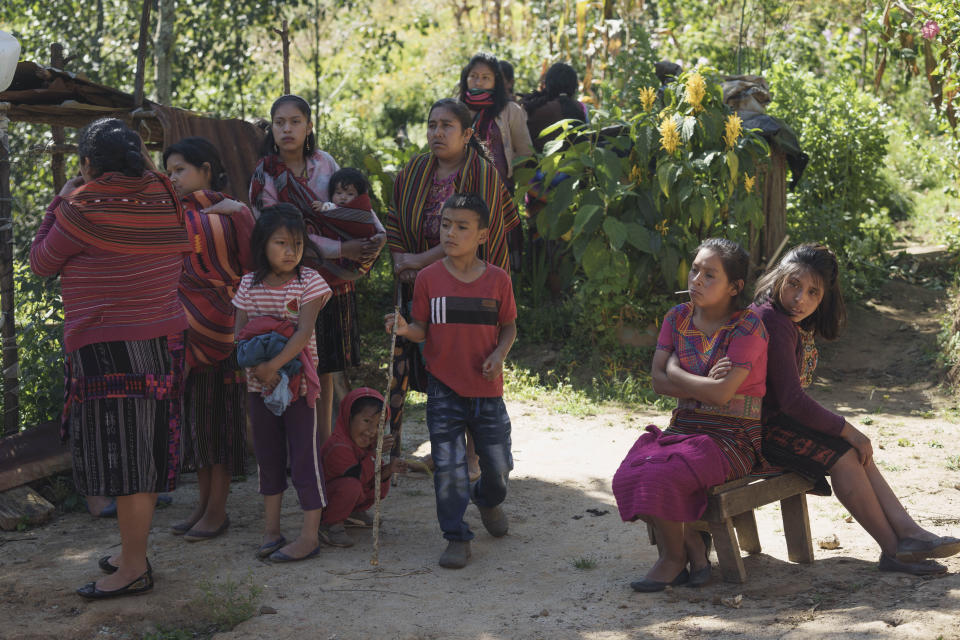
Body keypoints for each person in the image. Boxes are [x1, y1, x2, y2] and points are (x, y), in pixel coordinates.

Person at [30, 118, 192, 598]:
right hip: (161, 345)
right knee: (143, 453)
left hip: (108, 349)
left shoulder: (82, 208)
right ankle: (131, 552)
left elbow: (41, 261)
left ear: (86, 166)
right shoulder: (167, 198)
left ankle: (133, 569)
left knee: (124, 460)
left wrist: (61, 197)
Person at [751, 243, 960, 575]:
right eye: (793, 284)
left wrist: (848, 433)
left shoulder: (780, 319)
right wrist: (848, 429)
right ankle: (895, 549)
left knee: (855, 449)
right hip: (757, 433)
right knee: (847, 453)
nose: (799, 298)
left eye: (812, 292)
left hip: (776, 425)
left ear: (823, 300)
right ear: (777, 278)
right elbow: (791, 401)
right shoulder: (772, 321)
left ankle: (909, 534)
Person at [612, 239, 768, 592]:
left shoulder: (748, 327)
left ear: (734, 287)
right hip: (684, 429)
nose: (696, 279)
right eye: (695, 269)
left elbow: (721, 393)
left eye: (710, 274)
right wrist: (700, 383)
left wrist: (676, 370)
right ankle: (692, 547)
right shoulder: (677, 317)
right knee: (629, 473)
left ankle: (672, 559)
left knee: (661, 474)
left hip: (734, 438)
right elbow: (657, 382)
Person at [385, 98, 520, 476]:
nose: (437, 133)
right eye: (431, 125)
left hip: (471, 284)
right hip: (422, 283)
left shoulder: (483, 174)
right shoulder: (414, 170)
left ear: (467, 134)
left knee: (474, 363)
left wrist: (417, 261)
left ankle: (474, 458)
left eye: (446, 126)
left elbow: (477, 234)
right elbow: (394, 217)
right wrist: (401, 260)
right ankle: (437, 450)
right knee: (433, 363)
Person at [384, 192, 517, 569]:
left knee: (499, 468)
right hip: (443, 388)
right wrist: (403, 328)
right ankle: (456, 535)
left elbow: (508, 327)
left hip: (488, 393)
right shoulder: (427, 279)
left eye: (462, 227)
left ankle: (488, 500)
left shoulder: (497, 280)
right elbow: (421, 330)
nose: (451, 233)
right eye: (445, 225)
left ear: (482, 236)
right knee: (448, 467)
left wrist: (499, 354)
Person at [249, 95, 383, 444]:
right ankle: (292, 445)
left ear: (309, 127)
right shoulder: (265, 173)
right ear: (272, 127)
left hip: (331, 283)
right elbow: (276, 231)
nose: (287, 129)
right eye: (280, 122)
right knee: (291, 363)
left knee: (323, 367)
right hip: (288, 284)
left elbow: (351, 205)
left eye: (295, 122)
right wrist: (341, 247)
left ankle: (321, 445)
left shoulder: (325, 163)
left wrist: (371, 239)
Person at [163, 137, 255, 542]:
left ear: (205, 169)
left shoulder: (233, 211)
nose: (174, 177)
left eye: (180, 169)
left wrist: (243, 217)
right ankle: (202, 505)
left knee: (220, 423)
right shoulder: (172, 213)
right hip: (185, 334)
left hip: (226, 330)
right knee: (198, 423)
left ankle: (218, 510)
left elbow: (254, 266)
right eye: (169, 171)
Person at [233, 205, 332, 562]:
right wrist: (261, 369)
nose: (291, 252)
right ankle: (271, 531)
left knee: (304, 457)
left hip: (300, 388)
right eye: (281, 243)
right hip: (259, 387)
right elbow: (239, 333)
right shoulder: (247, 284)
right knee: (268, 458)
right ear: (263, 244)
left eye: (297, 244)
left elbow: (304, 332)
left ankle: (309, 537)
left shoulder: (309, 282)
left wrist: (272, 364)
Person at [317, 388, 406, 547]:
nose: (372, 431)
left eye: (379, 424)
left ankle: (351, 513)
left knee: (380, 475)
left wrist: (390, 469)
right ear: (349, 417)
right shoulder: (338, 446)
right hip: (324, 503)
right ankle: (329, 524)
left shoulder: (368, 446)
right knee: (351, 486)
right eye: (366, 421)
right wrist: (375, 454)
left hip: (351, 491)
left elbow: (372, 475)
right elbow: (357, 476)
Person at [458, 52, 533, 189]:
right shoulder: (455, 109)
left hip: (501, 190)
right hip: (460, 188)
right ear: (466, 77)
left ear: (495, 81)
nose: (478, 82)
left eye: (485, 77)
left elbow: (525, 152)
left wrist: (508, 173)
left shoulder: (510, 110)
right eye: (473, 76)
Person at [522, 62, 590, 154]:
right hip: (578, 163)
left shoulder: (534, 107)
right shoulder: (581, 108)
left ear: (547, 84)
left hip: (542, 165)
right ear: (574, 86)